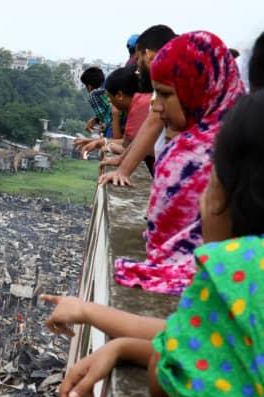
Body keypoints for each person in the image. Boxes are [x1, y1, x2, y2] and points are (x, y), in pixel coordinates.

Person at [43, 91, 264, 397]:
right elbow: (211, 344)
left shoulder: (237, 268)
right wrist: (110, 331)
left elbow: (168, 376)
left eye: (206, 181)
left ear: (232, 195)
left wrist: (123, 342)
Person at [113, 31, 246, 295]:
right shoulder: (240, 134)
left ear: (196, 88)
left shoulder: (194, 157)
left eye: (165, 95)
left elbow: (164, 248)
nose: (158, 108)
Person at [100, 25, 178, 186]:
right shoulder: (163, 82)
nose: (136, 70)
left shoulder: (174, 82)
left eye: (138, 59)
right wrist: (122, 161)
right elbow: (147, 128)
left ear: (148, 55)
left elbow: (152, 124)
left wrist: (124, 169)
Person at [80, 67, 113, 137]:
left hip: (112, 129)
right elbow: (108, 109)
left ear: (89, 87)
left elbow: (103, 117)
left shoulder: (93, 95)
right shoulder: (110, 87)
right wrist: (96, 119)